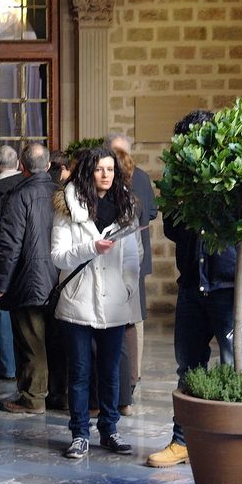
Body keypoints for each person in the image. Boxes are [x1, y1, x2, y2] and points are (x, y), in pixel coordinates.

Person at [147, 110, 242, 468]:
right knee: (188, 369)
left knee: (235, 363)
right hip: (193, 290)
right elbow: (175, 231)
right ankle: (183, 442)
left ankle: (239, 442)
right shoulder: (185, 181)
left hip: (233, 292)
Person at [51, 146, 142, 459]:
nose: (106, 175)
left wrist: (129, 287)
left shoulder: (125, 205)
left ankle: (110, 429)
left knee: (111, 370)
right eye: (100, 169)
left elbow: (133, 254)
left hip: (115, 302)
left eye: (111, 170)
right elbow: (58, 256)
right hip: (79, 300)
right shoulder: (69, 205)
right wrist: (91, 247)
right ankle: (79, 433)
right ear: (88, 171)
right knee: (79, 372)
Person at [0, 143, 58, 414]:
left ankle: (32, 397)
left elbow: (9, 245)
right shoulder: (60, 193)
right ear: (49, 166)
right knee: (55, 340)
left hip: (27, 279)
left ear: (22, 167)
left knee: (31, 342)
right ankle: (58, 393)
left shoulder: (18, 196)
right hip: (58, 278)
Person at [107, 132, 157, 416]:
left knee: (132, 319)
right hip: (136, 256)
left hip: (129, 257)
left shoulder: (138, 180)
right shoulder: (143, 178)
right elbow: (151, 214)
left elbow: (149, 213)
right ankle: (131, 380)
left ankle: (128, 380)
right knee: (133, 319)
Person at [0, 145, 24, 380]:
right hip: (25, 257)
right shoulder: (26, 186)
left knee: (0, 312)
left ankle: (8, 366)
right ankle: (21, 364)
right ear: (18, 164)